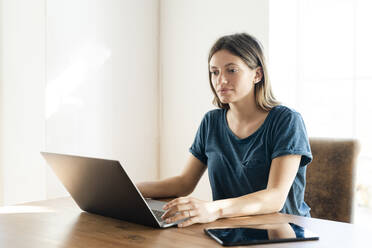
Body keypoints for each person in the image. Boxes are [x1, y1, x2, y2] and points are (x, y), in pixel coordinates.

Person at [137, 33, 312, 228]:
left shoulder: (286, 120)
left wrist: (213, 209)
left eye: (231, 70)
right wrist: (129, 189)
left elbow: (275, 197)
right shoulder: (211, 122)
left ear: (257, 75)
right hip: (229, 230)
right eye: (215, 72)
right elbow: (183, 183)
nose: (221, 80)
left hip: (283, 233)